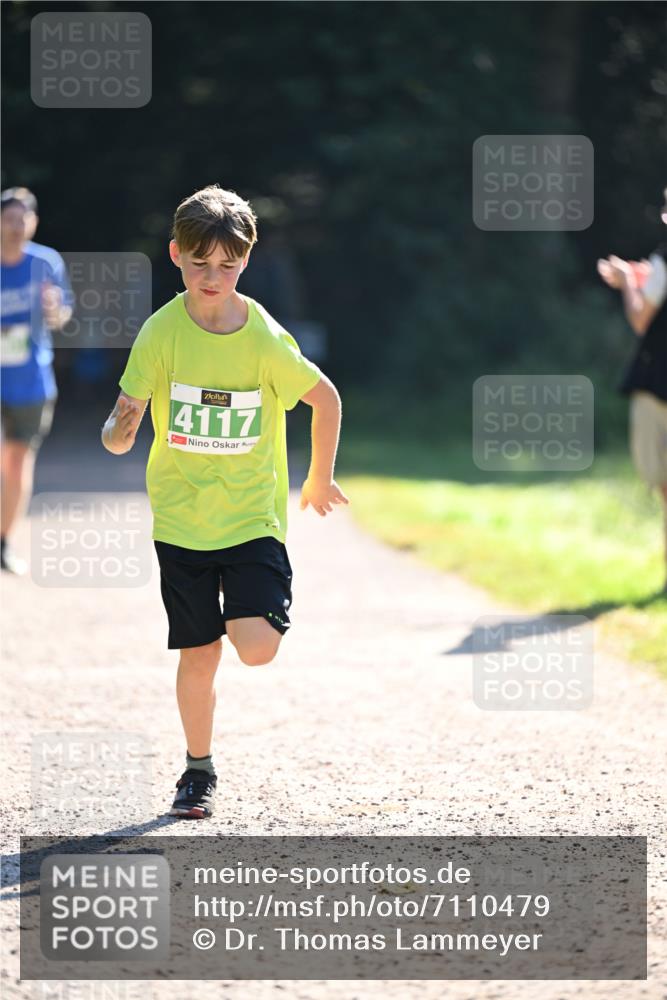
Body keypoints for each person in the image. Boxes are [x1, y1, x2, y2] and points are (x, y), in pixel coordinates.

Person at [102, 185, 348, 819]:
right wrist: (122, 428)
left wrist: (317, 478)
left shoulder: (264, 338)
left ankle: (255, 610)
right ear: (176, 256)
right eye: (199, 262)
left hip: (250, 517)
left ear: (246, 259)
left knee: (257, 647)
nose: (212, 277)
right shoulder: (160, 334)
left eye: (227, 264)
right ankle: (197, 769)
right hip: (181, 520)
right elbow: (118, 427)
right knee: (198, 653)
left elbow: (325, 399)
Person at [597, 188, 667, 590]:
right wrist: (645, 274)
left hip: (658, 384)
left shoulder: (664, 258)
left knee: (661, 481)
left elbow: (641, 319)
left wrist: (628, 283)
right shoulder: (660, 264)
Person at [1, 187, 72, 575]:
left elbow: (63, 317)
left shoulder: (46, 263)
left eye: (22, 219)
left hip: (30, 383)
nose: (15, 226)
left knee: (15, 463)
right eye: (9, 219)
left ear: (34, 222)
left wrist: (53, 310)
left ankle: (4, 542)